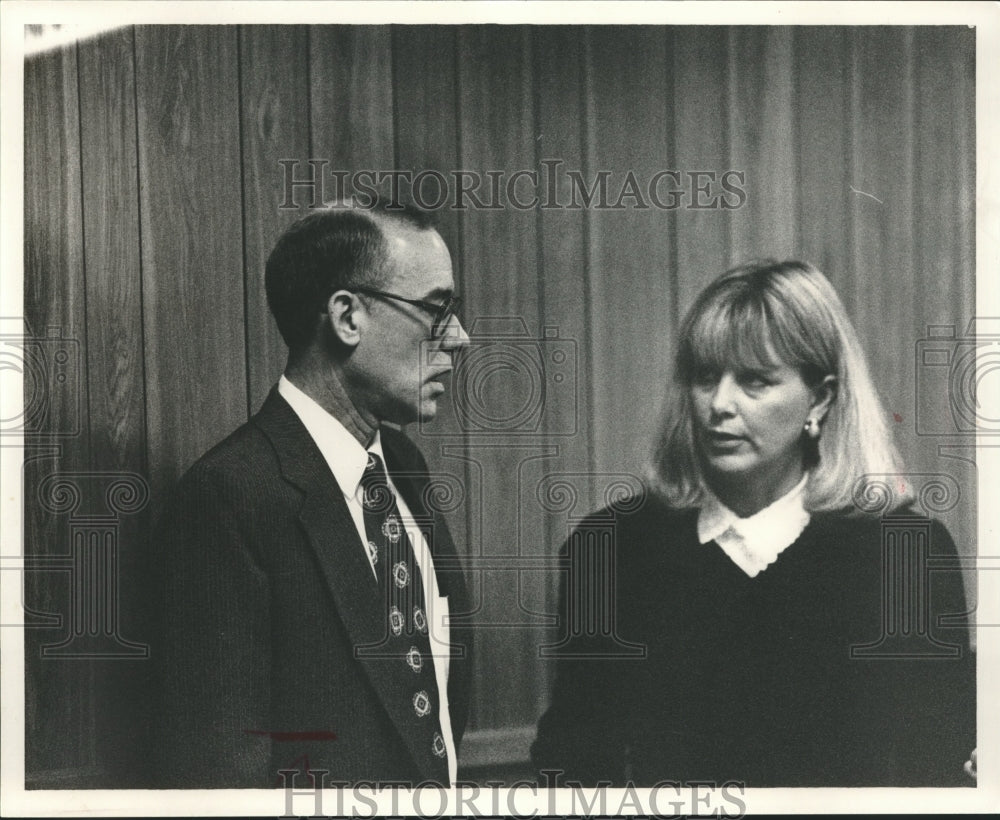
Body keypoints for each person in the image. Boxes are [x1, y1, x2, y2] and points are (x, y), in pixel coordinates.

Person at [531, 260, 975, 787]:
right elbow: (574, 764)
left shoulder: (906, 554)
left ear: (821, 398)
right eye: (704, 377)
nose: (719, 404)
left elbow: (938, 769)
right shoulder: (612, 548)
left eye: (755, 382)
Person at [151, 200, 472, 788]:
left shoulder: (405, 466)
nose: (460, 336)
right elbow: (223, 770)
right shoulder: (229, 496)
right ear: (347, 316)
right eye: (435, 309)